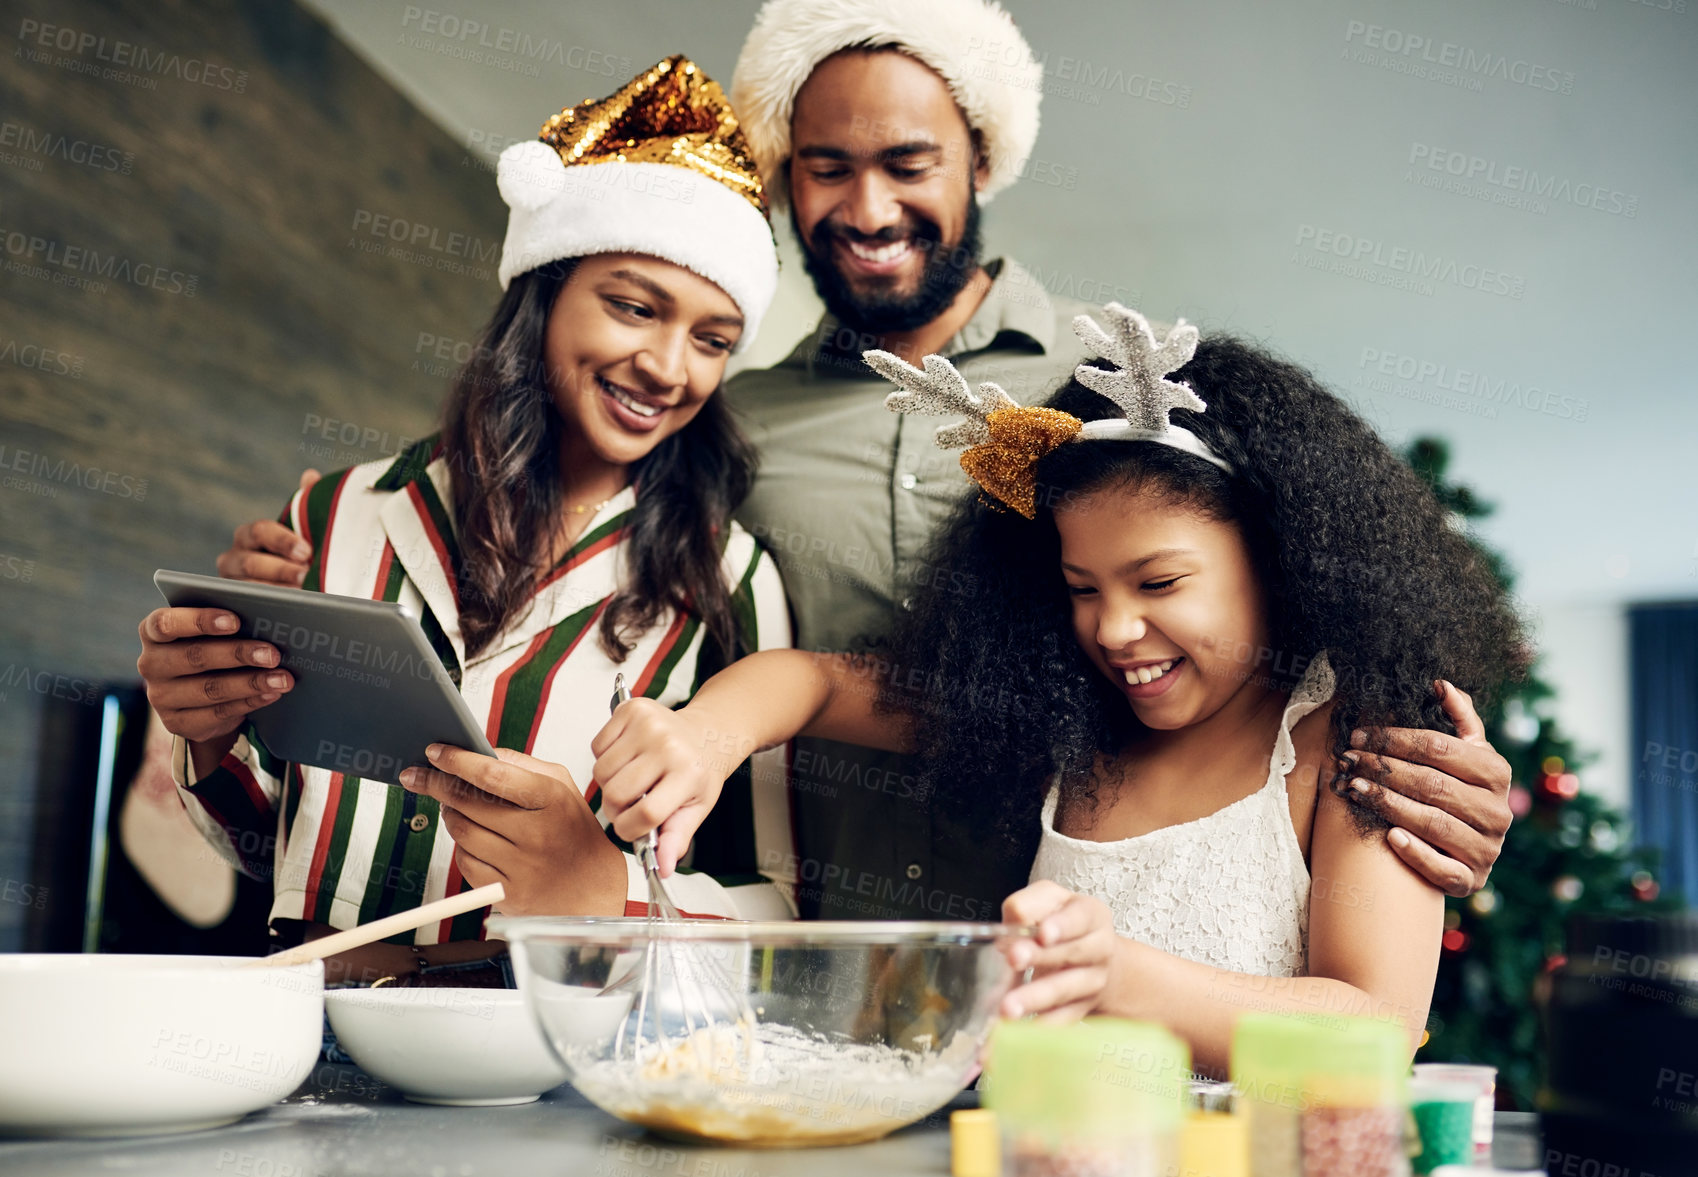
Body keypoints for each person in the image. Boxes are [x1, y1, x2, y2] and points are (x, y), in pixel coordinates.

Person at [215, 0, 1513, 914]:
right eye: (825, 169)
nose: (869, 207)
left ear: (979, 162)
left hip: (1076, 949)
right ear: (784, 183)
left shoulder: (1119, 397)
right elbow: (558, 533)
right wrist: (303, 590)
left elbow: (1290, 617)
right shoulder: (726, 426)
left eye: (909, 163)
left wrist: (1428, 791)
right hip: (795, 958)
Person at [589, 307, 1527, 1073]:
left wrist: (1109, 971)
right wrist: (705, 733)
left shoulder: (1354, 743)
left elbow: (1372, 1032)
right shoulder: (1069, 711)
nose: (1113, 629)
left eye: (1159, 583)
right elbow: (812, 680)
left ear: (1280, 562)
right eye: (1084, 589)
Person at [135, 58, 794, 985]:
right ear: (543, 291)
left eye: (712, 339)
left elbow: (772, 903)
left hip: (532, 1046)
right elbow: (262, 841)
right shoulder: (332, 514)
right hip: (302, 1020)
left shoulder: (731, 579)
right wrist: (201, 727)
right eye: (634, 306)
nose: (669, 366)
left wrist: (604, 887)